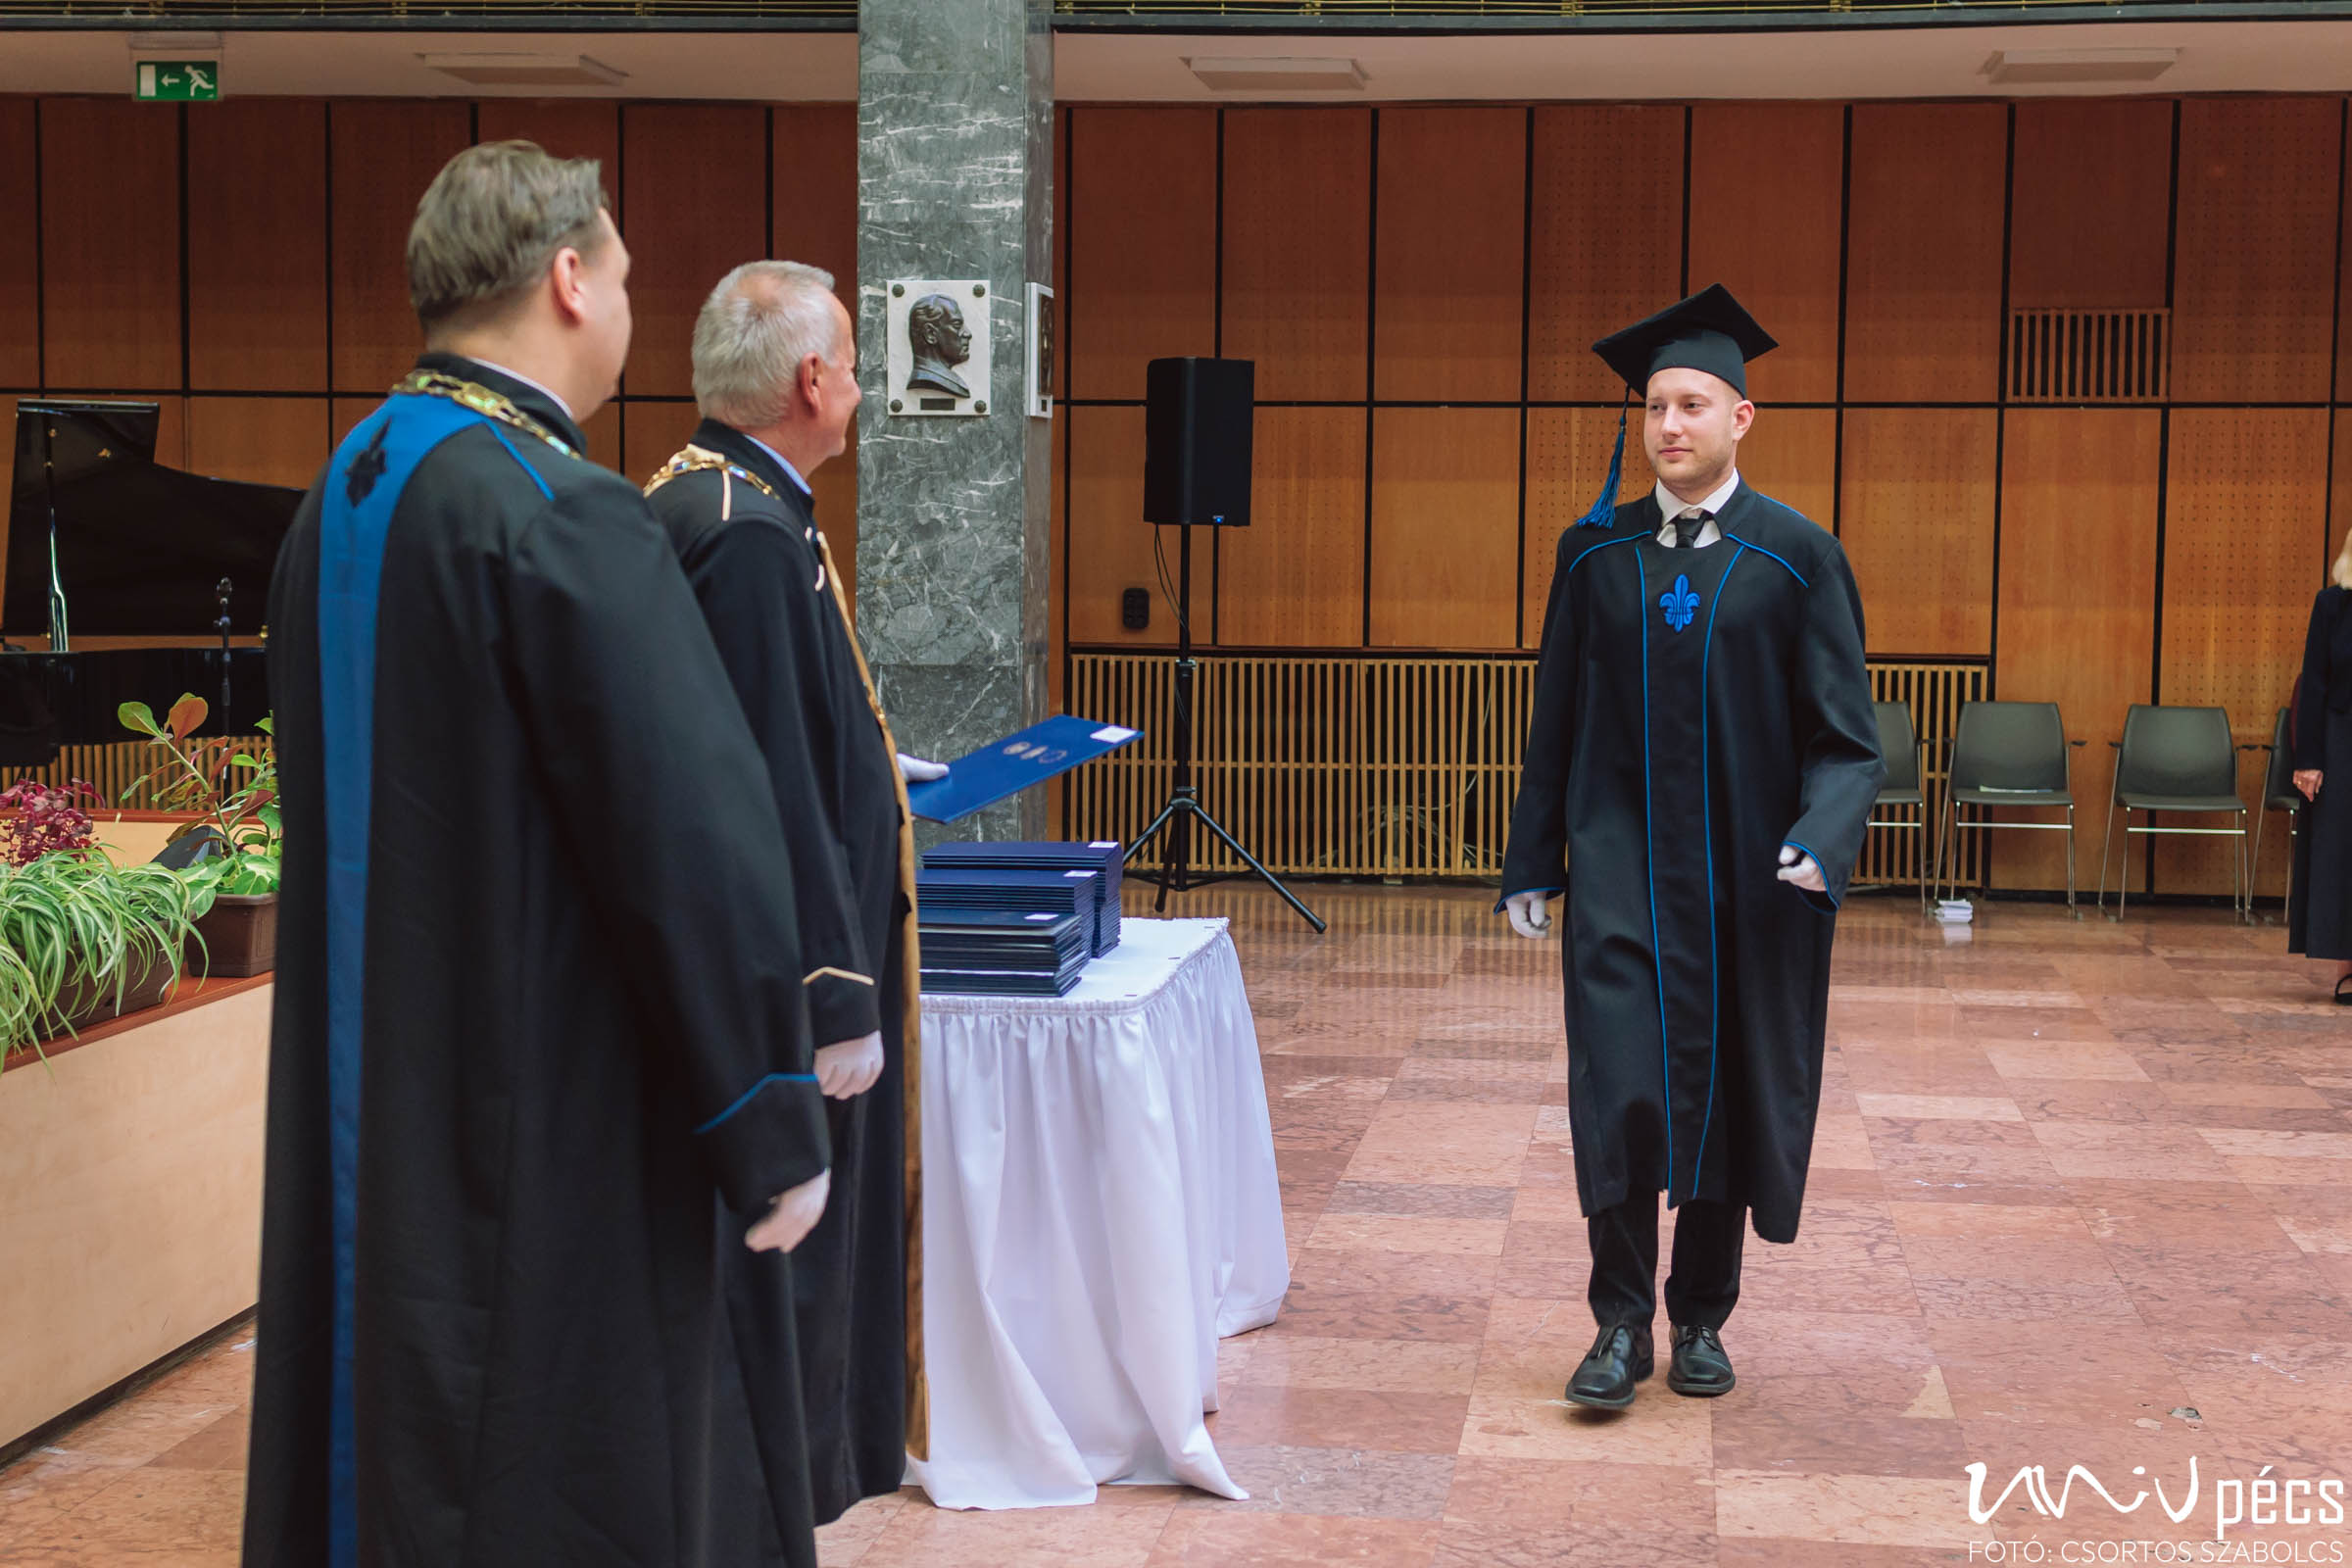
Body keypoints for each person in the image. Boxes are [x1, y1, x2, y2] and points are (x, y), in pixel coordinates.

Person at [244, 142, 833, 1568]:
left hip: (376, 1104)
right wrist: (770, 1115)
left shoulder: (345, 489)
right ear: (570, 279)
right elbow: (693, 839)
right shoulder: (558, 507)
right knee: (555, 1457)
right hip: (547, 1118)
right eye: (624, 276)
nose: (628, 306)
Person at [1498, 284, 1883, 1412]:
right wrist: (1532, 859)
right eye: (1657, 405)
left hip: (1743, 880)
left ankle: (1701, 1315)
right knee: (1620, 1088)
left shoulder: (1798, 558)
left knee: (1725, 1092)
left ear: (1740, 418)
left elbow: (1848, 738)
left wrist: (1819, 842)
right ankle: (1619, 1324)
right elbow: (1556, 715)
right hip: (1619, 872)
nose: (1670, 424)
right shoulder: (1593, 554)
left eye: (1693, 404)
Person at [643, 261, 928, 1526]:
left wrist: (875, 759)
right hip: (790, 969)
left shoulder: (713, 494)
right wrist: (837, 991)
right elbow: (762, 780)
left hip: (764, 945)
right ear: (813, 379)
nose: (860, 387)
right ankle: (794, 1483)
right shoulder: (750, 534)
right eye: (855, 363)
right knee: (800, 1235)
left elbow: (786, 727)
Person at [2288, 534, 2352, 1001]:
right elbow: (2313, 681)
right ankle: (2349, 966)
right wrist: (2309, 759)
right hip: (2342, 739)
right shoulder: (2332, 604)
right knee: (2343, 854)